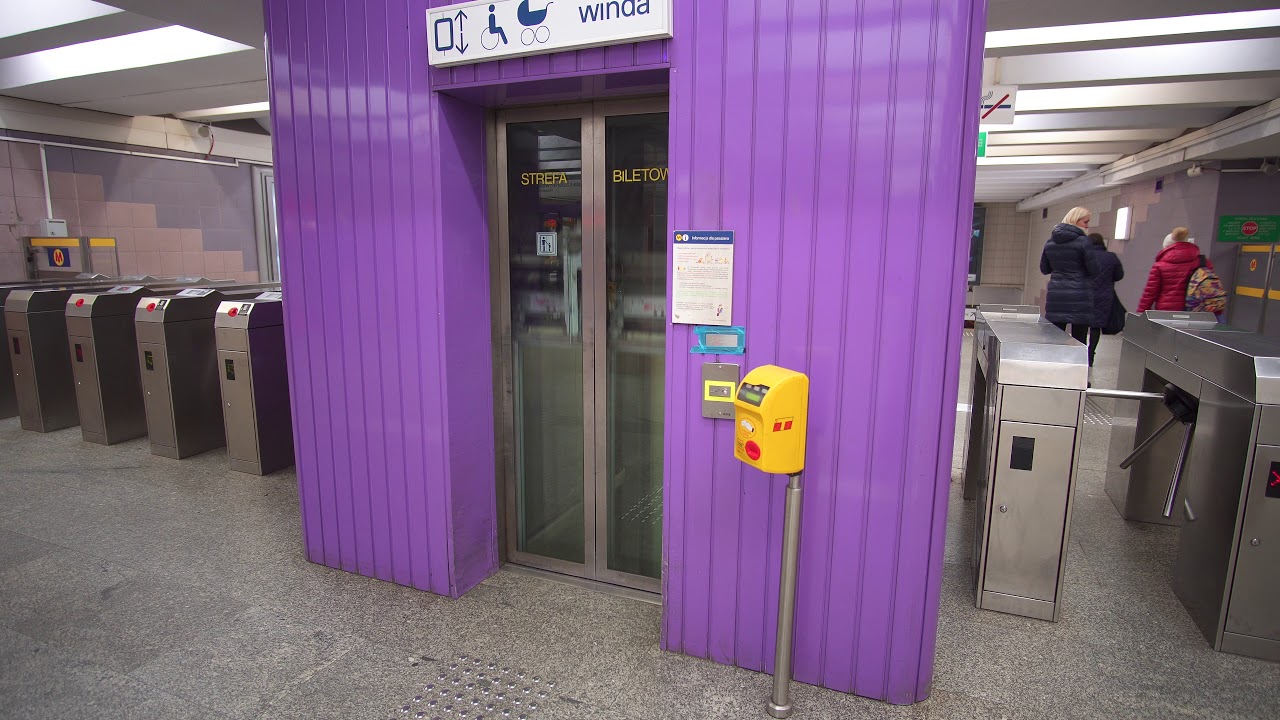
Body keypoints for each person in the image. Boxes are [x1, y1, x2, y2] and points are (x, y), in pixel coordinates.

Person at [1040, 207, 1100, 351]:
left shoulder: (1050, 242)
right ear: (1075, 220)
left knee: (1053, 339)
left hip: (1056, 296)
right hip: (1079, 297)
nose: (1087, 226)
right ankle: (1076, 364)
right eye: (1085, 222)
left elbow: (1044, 269)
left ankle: (1054, 363)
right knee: (1079, 342)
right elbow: (1094, 270)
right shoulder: (1084, 242)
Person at [1136, 227, 1208, 313]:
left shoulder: (1159, 265)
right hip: (1195, 310)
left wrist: (1141, 312)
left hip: (1166, 311)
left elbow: (1150, 293)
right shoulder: (1202, 261)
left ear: (1166, 248)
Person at [1087, 233, 1124, 367]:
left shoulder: (1085, 257)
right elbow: (1119, 275)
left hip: (1085, 294)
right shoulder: (1111, 257)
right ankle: (1091, 354)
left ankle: (1079, 354)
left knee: (1081, 325)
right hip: (1104, 295)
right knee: (1095, 327)